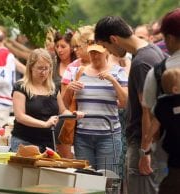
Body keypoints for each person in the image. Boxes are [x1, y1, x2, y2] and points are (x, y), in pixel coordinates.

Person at [94, 16, 167, 193]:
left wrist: (144, 151)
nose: (109, 52)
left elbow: (148, 111)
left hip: (144, 143)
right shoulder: (150, 52)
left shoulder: (141, 62)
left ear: (113, 39)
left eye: (106, 47)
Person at [63, 43, 128, 172]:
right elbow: (64, 105)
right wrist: (69, 89)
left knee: (107, 179)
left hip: (109, 136)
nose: (94, 56)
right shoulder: (77, 72)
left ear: (107, 52)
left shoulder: (118, 71)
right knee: (85, 179)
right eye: (92, 52)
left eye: (97, 52)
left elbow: (125, 102)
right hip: (82, 136)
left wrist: (113, 81)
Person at [10, 48, 84, 153]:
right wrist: (44, 124)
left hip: (48, 143)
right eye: (40, 68)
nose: (43, 72)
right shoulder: (21, 87)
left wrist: (73, 115)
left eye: (47, 68)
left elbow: (62, 111)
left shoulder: (53, 88)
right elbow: (20, 116)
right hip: (24, 141)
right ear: (31, 67)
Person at [141, 68, 180, 194]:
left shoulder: (161, 105)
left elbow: (153, 128)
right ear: (175, 89)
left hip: (171, 155)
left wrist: (146, 147)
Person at [53, 30, 76, 158]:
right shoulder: (52, 65)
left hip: (74, 113)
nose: (59, 50)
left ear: (72, 47)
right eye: (57, 47)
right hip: (56, 114)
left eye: (63, 46)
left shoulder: (78, 65)